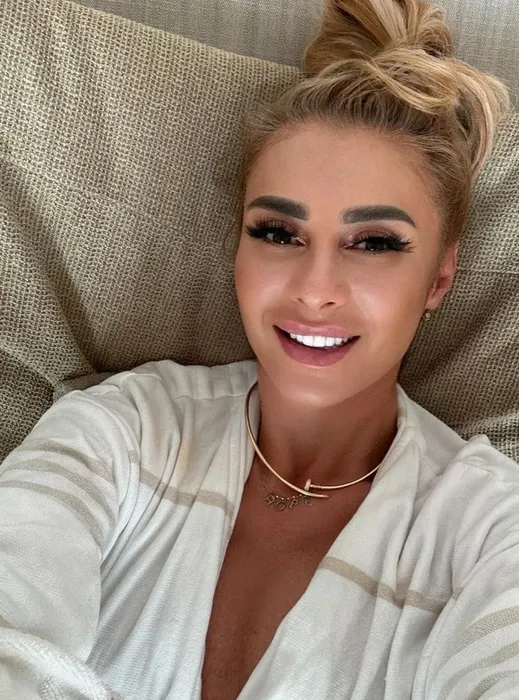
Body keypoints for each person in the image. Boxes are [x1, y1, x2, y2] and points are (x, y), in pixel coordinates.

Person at [0, 0, 517, 698]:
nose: (315, 289)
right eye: (278, 233)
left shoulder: (490, 531)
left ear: (439, 279)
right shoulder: (122, 430)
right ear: (238, 248)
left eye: (374, 243)